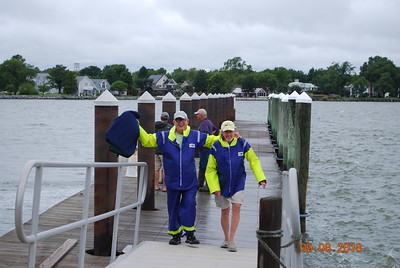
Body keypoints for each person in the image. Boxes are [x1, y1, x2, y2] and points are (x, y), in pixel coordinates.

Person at [138, 111, 219, 245]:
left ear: (187, 121)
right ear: (174, 122)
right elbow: (147, 140)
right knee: (173, 207)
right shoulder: (164, 137)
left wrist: (229, 135)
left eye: (183, 120)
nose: (181, 122)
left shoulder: (195, 135)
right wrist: (137, 127)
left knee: (189, 205)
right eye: (178, 120)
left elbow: (211, 140)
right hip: (172, 181)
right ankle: (175, 235)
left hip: (189, 181)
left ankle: (190, 234)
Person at [205, 120, 266, 252]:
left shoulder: (242, 144)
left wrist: (260, 178)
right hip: (222, 183)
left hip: (238, 181)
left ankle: (232, 240)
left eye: (230, 131)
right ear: (221, 132)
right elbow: (210, 170)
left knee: (237, 207)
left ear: (235, 131)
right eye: (226, 132)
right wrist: (214, 187)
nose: (228, 134)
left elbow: (254, 160)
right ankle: (226, 238)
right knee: (225, 210)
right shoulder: (216, 147)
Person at [194, 108, 217, 192]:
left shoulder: (203, 124)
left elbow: (204, 135)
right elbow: (214, 129)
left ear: (201, 115)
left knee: (204, 166)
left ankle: (204, 185)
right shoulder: (209, 122)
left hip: (205, 149)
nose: (196, 116)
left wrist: (202, 142)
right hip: (209, 148)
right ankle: (201, 184)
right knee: (206, 165)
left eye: (197, 114)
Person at [154, 112, 172, 191]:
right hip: (165, 150)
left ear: (160, 118)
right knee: (165, 169)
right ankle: (165, 187)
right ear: (167, 118)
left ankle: (156, 185)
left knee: (156, 169)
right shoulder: (170, 127)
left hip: (156, 150)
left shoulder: (155, 125)